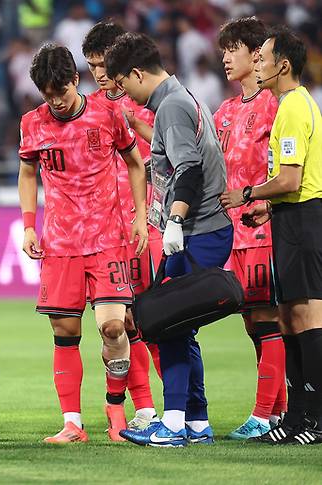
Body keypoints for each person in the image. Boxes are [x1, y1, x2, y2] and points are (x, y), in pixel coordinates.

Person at [105, 32, 233, 447]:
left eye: (125, 83)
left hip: (198, 230)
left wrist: (175, 221)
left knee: (168, 325)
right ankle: (196, 422)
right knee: (182, 326)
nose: (124, 92)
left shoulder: (173, 107)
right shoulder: (182, 99)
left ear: (139, 73)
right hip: (206, 229)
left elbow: (189, 169)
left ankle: (174, 423)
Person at [18, 43, 148, 444]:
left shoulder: (106, 112)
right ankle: (72, 423)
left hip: (108, 238)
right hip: (59, 243)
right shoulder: (32, 123)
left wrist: (140, 217)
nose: (55, 100)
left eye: (60, 90)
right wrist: (27, 226)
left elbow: (134, 163)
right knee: (65, 331)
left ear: (76, 80)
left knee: (113, 327)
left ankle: (116, 411)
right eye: (47, 93)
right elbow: (27, 173)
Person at [233, 27, 322, 445]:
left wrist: (247, 193)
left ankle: (315, 421)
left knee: (306, 318)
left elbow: (290, 177)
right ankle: (297, 418)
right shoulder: (293, 104)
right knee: (288, 318)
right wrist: (266, 208)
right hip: (290, 217)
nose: (259, 64)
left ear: (282, 65)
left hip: (305, 221)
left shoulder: (291, 107)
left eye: (264, 58)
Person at [81, 20, 161, 440]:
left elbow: (162, 161)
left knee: (157, 320)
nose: (98, 73)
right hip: (104, 236)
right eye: (92, 65)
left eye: (103, 63)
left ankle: (181, 411)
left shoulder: (149, 104)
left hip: (148, 225)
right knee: (122, 323)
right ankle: (145, 408)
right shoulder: (88, 108)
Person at [214, 17, 285, 440]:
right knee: (251, 322)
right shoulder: (224, 111)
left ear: (257, 54)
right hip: (233, 234)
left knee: (267, 318)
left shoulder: (276, 104)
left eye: (234, 48)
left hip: (264, 228)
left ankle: (262, 414)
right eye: (224, 50)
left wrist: (268, 206)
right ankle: (278, 413)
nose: (225, 57)